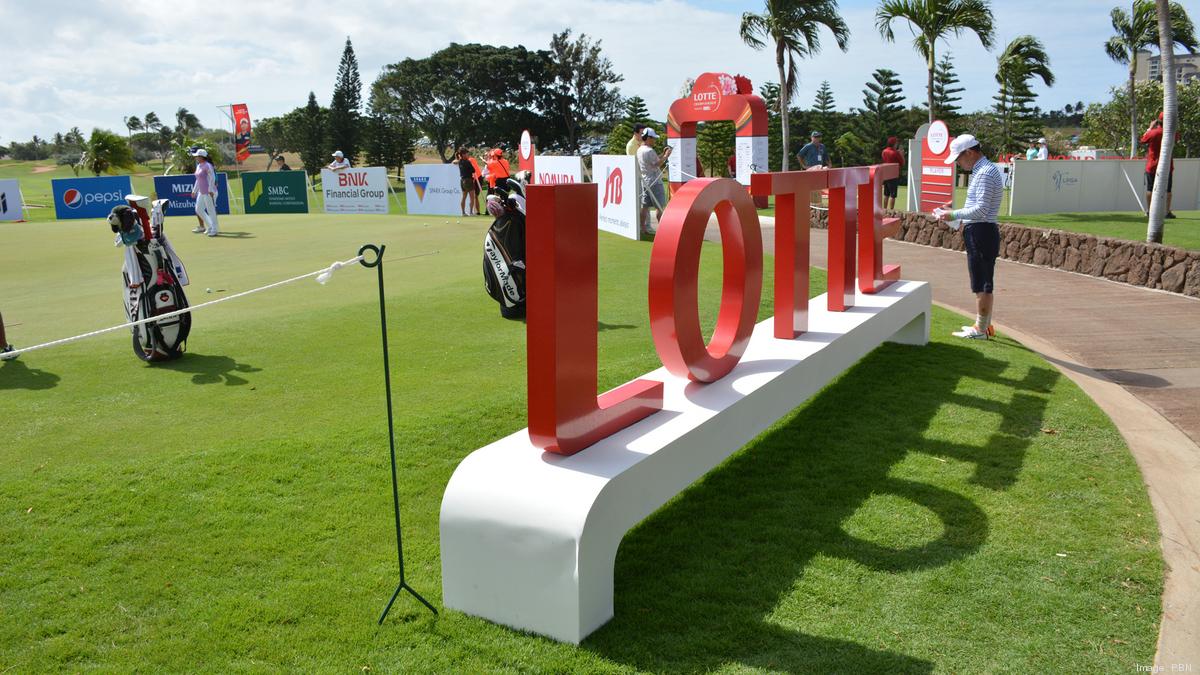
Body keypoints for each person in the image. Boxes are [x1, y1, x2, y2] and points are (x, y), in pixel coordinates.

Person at [934, 134, 1004, 340]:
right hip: (982, 230)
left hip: (981, 232)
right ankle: (983, 325)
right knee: (983, 281)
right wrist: (954, 214)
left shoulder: (983, 173)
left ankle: (981, 330)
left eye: (958, 158)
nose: (957, 162)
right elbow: (979, 207)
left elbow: (981, 210)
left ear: (970, 152)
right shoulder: (985, 170)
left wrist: (952, 214)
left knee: (981, 283)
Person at [1142, 112, 1178, 219]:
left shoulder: (1153, 133)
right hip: (1166, 165)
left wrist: (1150, 128)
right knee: (1168, 189)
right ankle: (1167, 212)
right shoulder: (1172, 133)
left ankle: (1149, 211)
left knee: (1150, 188)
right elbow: (1177, 138)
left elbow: (1143, 139)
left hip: (1152, 165)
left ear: (1159, 121)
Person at [636, 127, 672, 237]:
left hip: (646, 181)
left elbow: (654, 161)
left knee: (645, 206)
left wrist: (662, 154)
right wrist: (666, 156)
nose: (654, 140)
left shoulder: (640, 149)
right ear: (648, 138)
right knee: (660, 206)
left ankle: (642, 228)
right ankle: (663, 231)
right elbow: (657, 164)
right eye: (653, 138)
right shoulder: (649, 150)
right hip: (655, 182)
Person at [190, 149, 219, 237]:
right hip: (201, 192)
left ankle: (214, 229)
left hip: (210, 192)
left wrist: (210, 190)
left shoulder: (208, 165)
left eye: (197, 156)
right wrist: (194, 191)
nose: (196, 158)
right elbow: (198, 180)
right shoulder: (199, 166)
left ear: (202, 157)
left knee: (211, 210)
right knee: (198, 209)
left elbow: (212, 178)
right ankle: (210, 226)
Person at [880, 136, 904, 211]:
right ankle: (891, 211)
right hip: (893, 175)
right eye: (896, 142)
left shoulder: (884, 151)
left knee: (886, 194)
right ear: (894, 143)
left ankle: (884, 210)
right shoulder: (895, 153)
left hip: (886, 174)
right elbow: (902, 163)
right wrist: (902, 154)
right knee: (893, 195)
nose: (897, 144)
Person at [457, 147, 480, 216]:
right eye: (467, 154)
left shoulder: (460, 161)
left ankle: (463, 213)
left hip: (462, 180)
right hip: (468, 180)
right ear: (463, 154)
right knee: (472, 197)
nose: (468, 155)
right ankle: (471, 212)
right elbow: (473, 170)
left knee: (464, 197)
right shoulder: (467, 162)